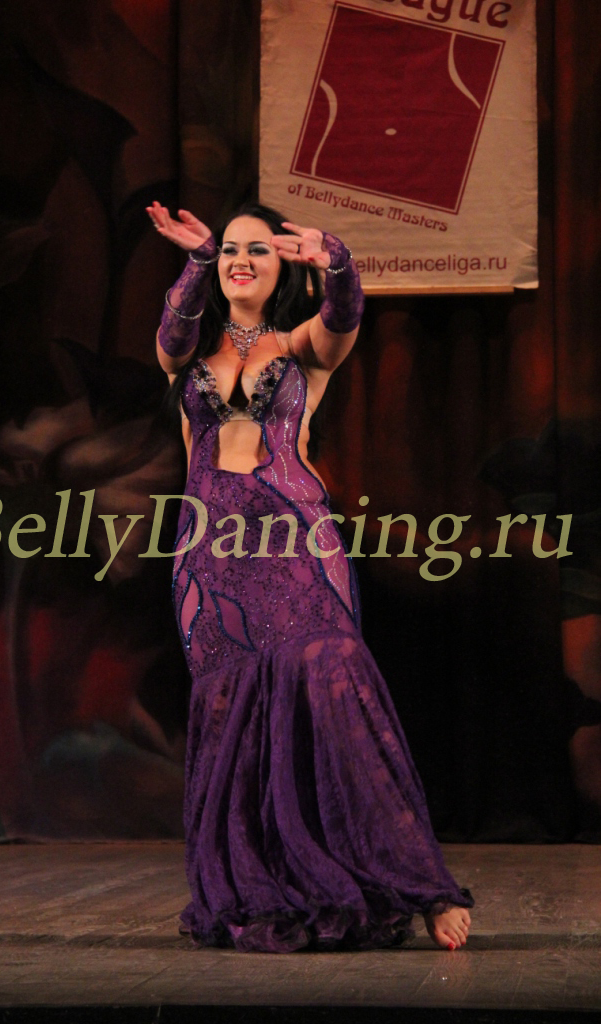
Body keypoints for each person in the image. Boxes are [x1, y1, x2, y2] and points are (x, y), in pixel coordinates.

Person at [146, 199, 474, 953]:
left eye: (258, 250)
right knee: (231, 712)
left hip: (292, 539)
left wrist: (339, 264)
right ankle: (261, 881)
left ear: (280, 267)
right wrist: (195, 261)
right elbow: (170, 335)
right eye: (232, 249)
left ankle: (421, 885)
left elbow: (343, 315)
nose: (243, 261)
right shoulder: (185, 357)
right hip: (210, 554)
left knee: (333, 680)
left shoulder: (302, 350)